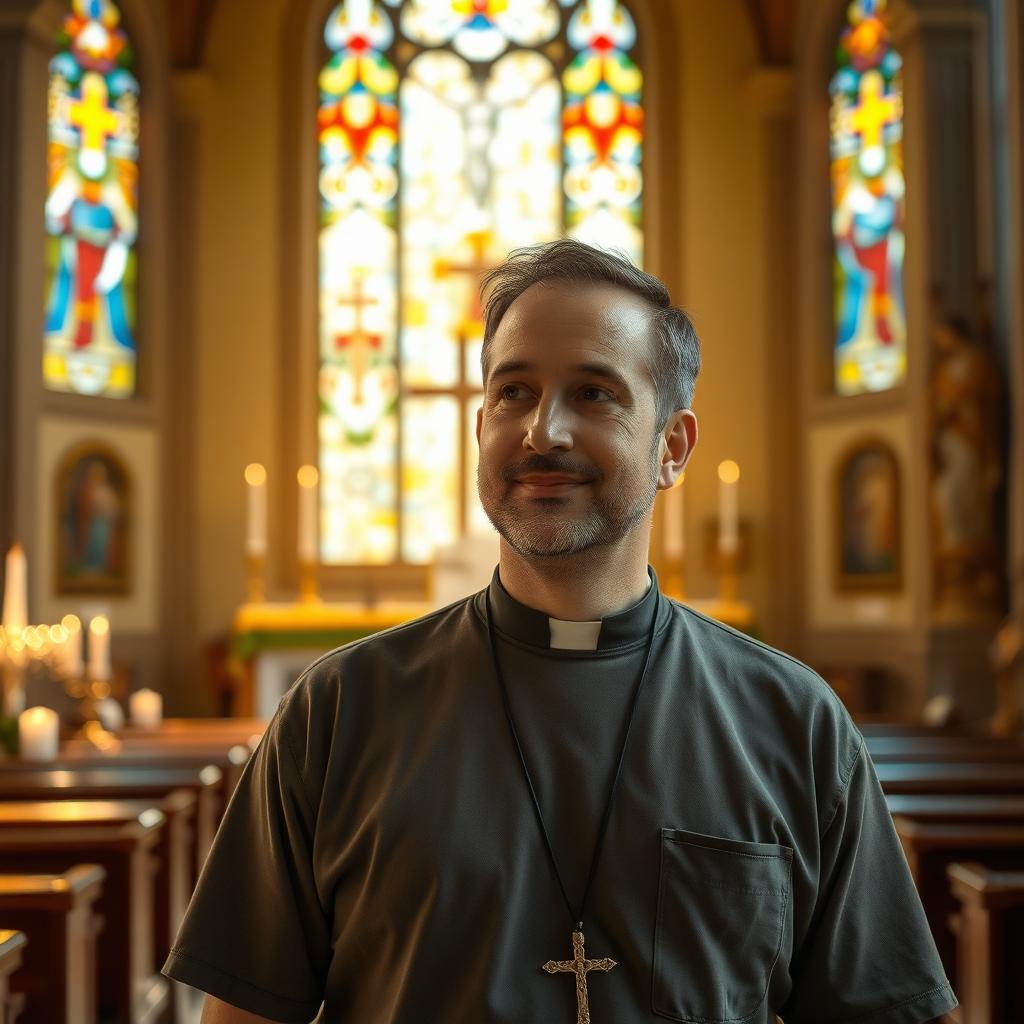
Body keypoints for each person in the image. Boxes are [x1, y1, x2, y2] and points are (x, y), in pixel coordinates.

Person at [163, 239, 957, 1024]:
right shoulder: (336, 711)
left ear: (673, 446)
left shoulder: (794, 721)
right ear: (481, 430)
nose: (544, 431)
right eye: (513, 393)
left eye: (594, 393)